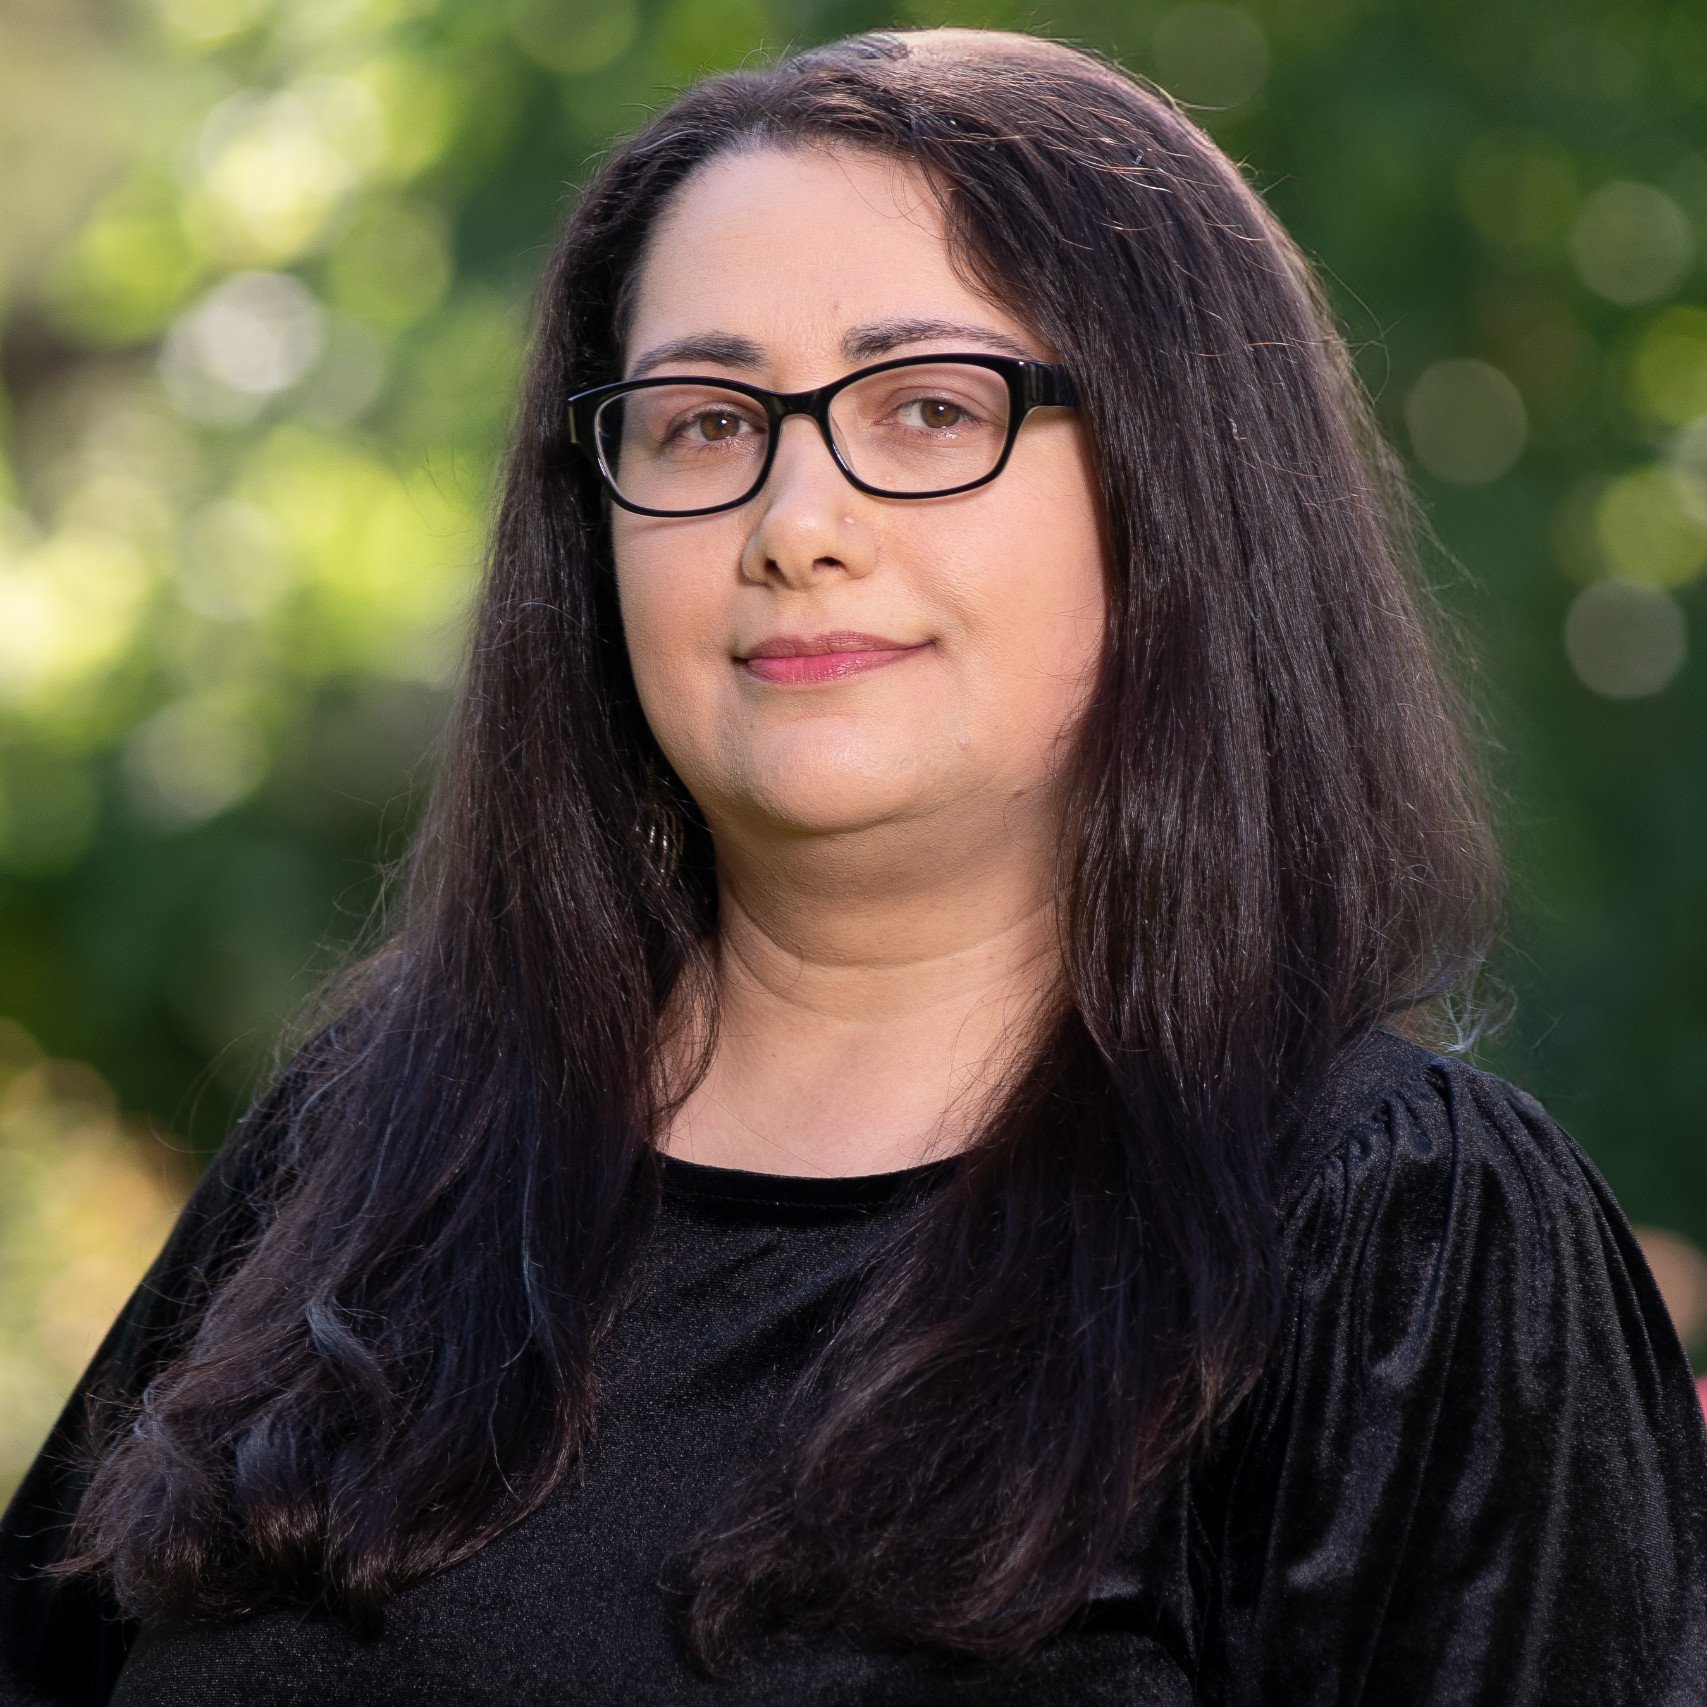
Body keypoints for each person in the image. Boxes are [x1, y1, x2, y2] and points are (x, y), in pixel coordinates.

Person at [4, 25, 1705, 1706]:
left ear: (1182, 488)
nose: (792, 521)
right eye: (701, 422)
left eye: (928, 407)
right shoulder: (375, 1144)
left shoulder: (1391, 1237)